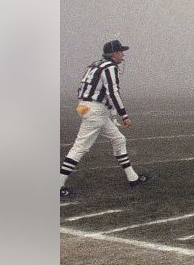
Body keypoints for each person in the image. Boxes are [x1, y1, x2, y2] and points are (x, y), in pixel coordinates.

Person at [59, 40, 156, 198]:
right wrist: (123, 114)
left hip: (90, 107)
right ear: (113, 53)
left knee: (118, 139)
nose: (123, 55)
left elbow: (88, 89)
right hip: (95, 110)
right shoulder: (110, 67)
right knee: (80, 147)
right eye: (121, 52)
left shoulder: (95, 65)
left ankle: (133, 178)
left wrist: (110, 114)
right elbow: (112, 92)